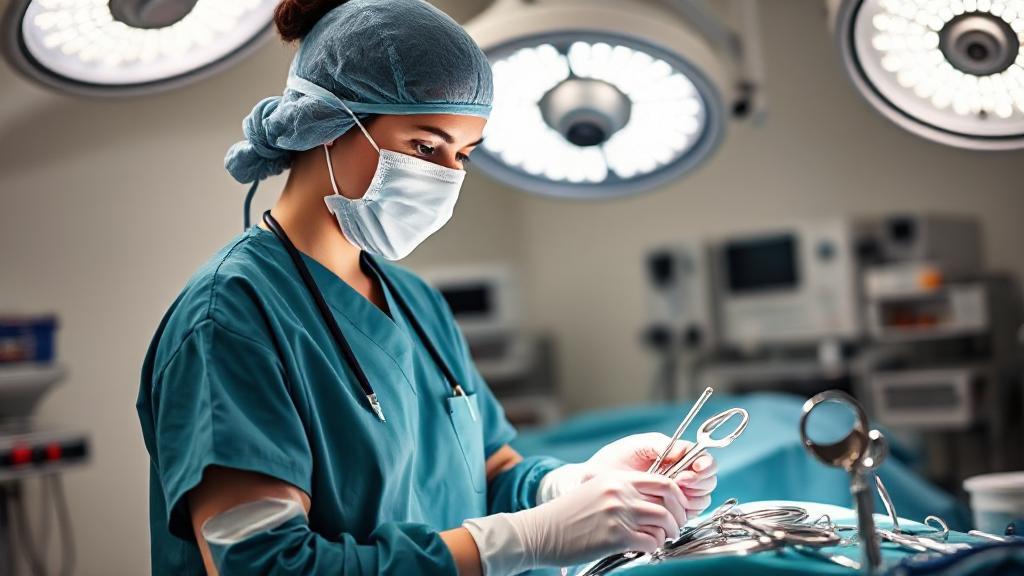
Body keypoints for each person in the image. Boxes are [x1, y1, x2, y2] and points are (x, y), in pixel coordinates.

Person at [135, 1, 718, 574]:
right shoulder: (230, 317)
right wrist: (525, 539)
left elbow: (489, 472)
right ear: (325, 124)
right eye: (424, 146)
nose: (447, 176)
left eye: (462, 154)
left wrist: (572, 485)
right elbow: (263, 565)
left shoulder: (416, 303)